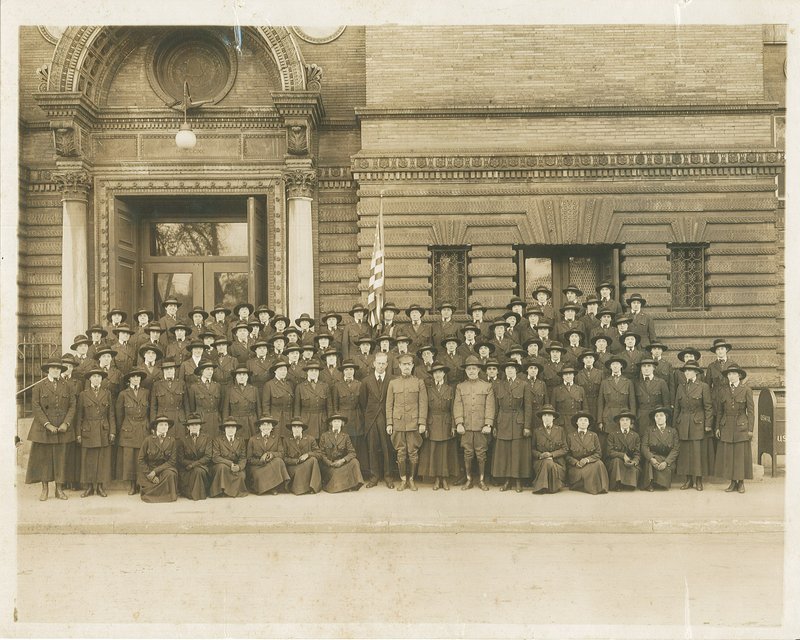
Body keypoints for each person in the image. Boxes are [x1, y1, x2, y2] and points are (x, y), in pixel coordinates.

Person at [385, 353, 428, 491]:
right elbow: (389, 405)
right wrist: (389, 423)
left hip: (413, 423)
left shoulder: (418, 382)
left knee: (413, 452)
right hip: (398, 423)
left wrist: (422, 422)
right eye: (404, 364)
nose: (406, 367)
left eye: (409, 364)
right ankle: (403, 480)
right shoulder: (393, 383)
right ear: (399, 366)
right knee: (401, 452)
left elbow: (423, 404)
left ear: (412, 366)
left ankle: (412, 480)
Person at [453, 355, 496, 491]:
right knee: (467, 453)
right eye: (469, 369)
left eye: (474, 368)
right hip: (466, 427)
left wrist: (488, 424)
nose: (471, 371)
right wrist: (459, 423)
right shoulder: (460, 387)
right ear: (465, 371)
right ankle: (469, 479)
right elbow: (457, 405)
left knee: (481, 454)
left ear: (478, 370)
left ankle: (482, 480)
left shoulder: (487, 386)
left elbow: (490, 406)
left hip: (481, 427)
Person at [491, 360, 532, 492]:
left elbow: (528, 407)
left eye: (512, 368)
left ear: (516, 370)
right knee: (505, 453)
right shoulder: (499, 385)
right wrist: (494, 426)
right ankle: (507, 480)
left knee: (517, 452)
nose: (509, 370)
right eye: (507, 368)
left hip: (518, 422)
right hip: (503, 421)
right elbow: (496, 407)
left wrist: (527, 426)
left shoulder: (524, 384)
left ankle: (517, 480)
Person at [673, 361, 714, 491]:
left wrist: (708, 424)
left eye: (689, 371)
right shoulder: (681, 386)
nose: (687, 373)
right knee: (686, 453)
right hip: (683, 423)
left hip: (698, 423)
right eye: (685, 371)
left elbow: (708, 407)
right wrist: (675, 425)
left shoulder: (703, 386)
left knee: (697, 453)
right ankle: (688, 480)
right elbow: (677, 408)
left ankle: (698, 480)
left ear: (696, 372)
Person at [713, 365, 754, 493]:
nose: (731, 376)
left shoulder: (746, 389)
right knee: (729, 455)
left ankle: (741, 482)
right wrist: (718, 427)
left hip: (741, 425)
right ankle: (732, 482)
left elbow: (751, 411)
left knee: (740, 455)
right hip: (726, 425)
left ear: (739, 375)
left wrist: (750, 429)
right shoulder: (723, 390)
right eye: (729, 374)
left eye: (733, 374)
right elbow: (720, 411)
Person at [75, 367, 115, 497]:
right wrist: (78, 434)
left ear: (102, 380)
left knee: (102, 459)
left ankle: (100, 487)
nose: (96, 379)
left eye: (99, 377)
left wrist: (112, 431)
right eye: (94, 377)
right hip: (88, 430)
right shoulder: (83, 394)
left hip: (103, 429)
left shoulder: (107, 393)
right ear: (90, 379)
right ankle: (89, 487)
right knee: (88, 459)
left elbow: (111, 414)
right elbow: (79, 415)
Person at [418, 362, 458, 490]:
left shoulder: (450, 389)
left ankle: (445, 479)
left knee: (445, 453)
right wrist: (425, 425)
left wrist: (453, 426)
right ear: (433, 375)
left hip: (446, 423)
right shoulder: (428, 389)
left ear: (444, 374)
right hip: (432, 423)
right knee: (434, 452)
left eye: (440, 372)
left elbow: (453, 409)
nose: (438, 375)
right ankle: (436, 479)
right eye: (435, 372)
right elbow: (425, 409)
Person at [358, 351, 395, 488]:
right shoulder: (366, 381)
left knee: (387, 448)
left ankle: (388, 476)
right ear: (374, 364)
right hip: (372, 419)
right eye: (378, 363)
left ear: (387, 364)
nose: (380, 366)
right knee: (372, 448)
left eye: (383, 363)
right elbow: (363, 402)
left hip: (386, 418)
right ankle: (374, 477)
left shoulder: (392, 379)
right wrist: (369, 415)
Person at [115, 368, 150, 495]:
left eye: (138, 377)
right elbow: (119, 415)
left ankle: (141, 483)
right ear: (129, 379)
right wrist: (122, 429)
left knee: (141, 457)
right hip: (128, 428)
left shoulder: (146, 393)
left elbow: (150, 411)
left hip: (142, 428)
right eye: (133, 377)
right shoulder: (123, 394)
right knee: (129, 458)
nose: (136, 379)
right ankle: (131, 485)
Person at [137, 416, 179, 503]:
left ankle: (168, 496)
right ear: (156, 427)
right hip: (149, 470)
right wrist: (150, 474)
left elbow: (172, 461)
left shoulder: (172, 441)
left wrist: (155, 471)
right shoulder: (148, 440)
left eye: (166, 425)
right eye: (161, 425)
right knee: (147, 489)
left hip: (164, 469)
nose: (164, 427)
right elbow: (141, 459)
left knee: (171, 474)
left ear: (168, 427)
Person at [319, 414, 364, 492]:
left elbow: (352, 452)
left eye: (338, 422)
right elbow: (321, 453)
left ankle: (353, 484)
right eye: (335, 421)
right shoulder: (324, 436)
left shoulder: (345, 436)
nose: (336, 423)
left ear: (342, 424)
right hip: (329, 465)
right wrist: (329, 463)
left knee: (355, 461)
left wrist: (343, 460)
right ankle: (344, 486)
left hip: (341, 464)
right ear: (331, 423)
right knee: (334, 473)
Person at [566, 412, 609, 494]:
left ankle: (600, 488)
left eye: (585, 420)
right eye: (581, 420)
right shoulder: (570, 436)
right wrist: (575, 462)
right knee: (593, 468)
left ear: (588, 423)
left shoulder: (593, 435)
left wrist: (587, 459)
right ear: (577, 422)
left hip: (590, 463)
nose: (583, 422)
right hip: (577, 467)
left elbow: (598, 453)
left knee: (599, 463)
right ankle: (590, 487)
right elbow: (567, 455)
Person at [247, 415, 291, 495]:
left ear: (272, 427)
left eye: (268, 425)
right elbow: (249, 459)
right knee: (259, 473)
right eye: (263, 425)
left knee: (279, 461)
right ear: (260, 427)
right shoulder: (252, 439)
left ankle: (273, 487)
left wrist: (271, 454)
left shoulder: (277, 438)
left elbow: (281, 453)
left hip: (271, 463)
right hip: (258, 466)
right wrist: (261, 460)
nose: (266, 427)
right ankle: (266, 488)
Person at [641, 407, 680, 491]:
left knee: (664, 485)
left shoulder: (673, 431)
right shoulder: (649, 430)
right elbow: (644, 446)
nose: (659, 418)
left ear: (666, 417)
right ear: (654, 419)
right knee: (648, 462)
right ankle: (650, 483)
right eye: (657, 416)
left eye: (661, 415)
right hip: (653, 459)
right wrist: (651, 458)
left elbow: (675, 449)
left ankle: (660, 483)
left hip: (666, 460)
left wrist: (666, 462)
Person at [531, 405, 568, 494]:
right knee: (547, 462)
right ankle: (551, 487)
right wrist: (540, 455)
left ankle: (542, 487)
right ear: (541, 418)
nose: (547, 418)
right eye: (544, 416)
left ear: (553, 417)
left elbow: (565, 449)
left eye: (549, 415)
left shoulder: (560, 430)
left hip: (557, 462)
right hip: (540, 462)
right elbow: (532, 449)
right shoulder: (537, 431)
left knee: (549, 462)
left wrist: (552, 455)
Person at [294, 360, 332, 441]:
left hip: (321, 420)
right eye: (311, 370)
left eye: (316, 371)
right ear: (307, 372)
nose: (314, 373)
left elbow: (329, 407)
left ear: (319, 372)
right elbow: (297, 408)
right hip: (306, 421)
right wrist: (298, 424)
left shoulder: (325, 386)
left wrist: (329, 423)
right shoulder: (300, 387)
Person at [210, 418, 249, 497]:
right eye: (228, 428)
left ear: (236, 429)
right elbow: (215, 457)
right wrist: (230, 463)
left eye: (233, 428)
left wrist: (239, 467)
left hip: (235, 467)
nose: (230, 430)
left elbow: (243, 457)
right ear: (224, 429)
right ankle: (220, 491)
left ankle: (232, 492)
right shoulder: (218, 440)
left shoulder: (240, 440)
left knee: (241, 475)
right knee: (222, 467)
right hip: (222, 466)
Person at [149, 358, 187, 439]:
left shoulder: (181, 383)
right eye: (166, 369)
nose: (169, 371)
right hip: (163, 420)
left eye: (171, 369)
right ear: (163, 371)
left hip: (179, 420)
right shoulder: (157, 385)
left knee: (179, 444)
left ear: (175, 370)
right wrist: (153, 424)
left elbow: (186, 405)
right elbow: (153, 407)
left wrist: (188, 422)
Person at [177, 414, 212, 500]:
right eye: (192, 425)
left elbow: (208, 456)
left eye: (196, 425)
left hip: (202, 467)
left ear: (200, 426)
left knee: (198, 471)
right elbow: (181, 459)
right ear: (188, 427)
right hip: (186, 468)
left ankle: (197, 494)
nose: (194, 427)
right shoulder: (182, 439)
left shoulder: (207, 438)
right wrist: (190, 465)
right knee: (195, 471)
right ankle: (190, 492)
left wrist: (194, 464)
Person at [284, 417, 323, 495]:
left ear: (302, 428)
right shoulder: (286, 440)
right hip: (293, 466)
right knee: (299, 470)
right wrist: (296, 461)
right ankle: (299, 488)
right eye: (294, 427)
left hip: (306, 465)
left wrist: (308, 454)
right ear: (291, 429)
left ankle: (313, 487)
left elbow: (319, 454)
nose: (296, 429)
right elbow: (283, 457)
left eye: (299, 427)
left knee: (313, 460)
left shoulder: (310, 439)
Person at [187, 360, 223, 438]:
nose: (210, 372)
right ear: (201, 371)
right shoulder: (194, 387)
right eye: (207, 369)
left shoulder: (217, 386)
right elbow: (192, 407)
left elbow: (220, 406)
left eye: (211, 369)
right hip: (202, 419)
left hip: (215, 420)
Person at [605, 411, 641, 491]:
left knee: (633, 466)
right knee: (617, 461)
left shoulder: (635, 436)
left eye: (627, 420)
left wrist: (634, 461)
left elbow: (637, 453)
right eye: (622, 420)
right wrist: (623, 456)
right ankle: (617, 484)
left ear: (631, 422)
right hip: (615, 461)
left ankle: (629, 484)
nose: (625, 422)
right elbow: (610, 452)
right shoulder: (612, 435)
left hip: (630, 460)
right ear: (619, 422)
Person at [223, 366, 261, 440]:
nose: (242, 377)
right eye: (239, 375)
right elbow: (226, 410)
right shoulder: (230, 390)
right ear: (236, 377)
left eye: (244, 375)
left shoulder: (254, 389)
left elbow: (258, 408)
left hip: (251, 422)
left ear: (247, 377)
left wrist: (259, 423)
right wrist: (226, 424)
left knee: (251, 441)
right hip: (236, 422)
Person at [262, 357, 295, 439]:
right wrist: (269, 422)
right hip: (276, 418)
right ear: (275, 371)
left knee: (288, 439)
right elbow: (265, 405)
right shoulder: (269, 385)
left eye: (285, 369)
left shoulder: (290, 384)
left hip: (288, 417)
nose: (283, 372)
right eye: (280, 369)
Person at [550, 366, 586, 432]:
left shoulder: (580, 389)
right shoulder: (556, 390)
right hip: (561, 422)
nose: (568, 376)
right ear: (562, 376)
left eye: (570, 374)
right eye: (566, 374)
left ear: (573, 376)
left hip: (575, 421)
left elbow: (585, 408)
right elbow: (553, 409)